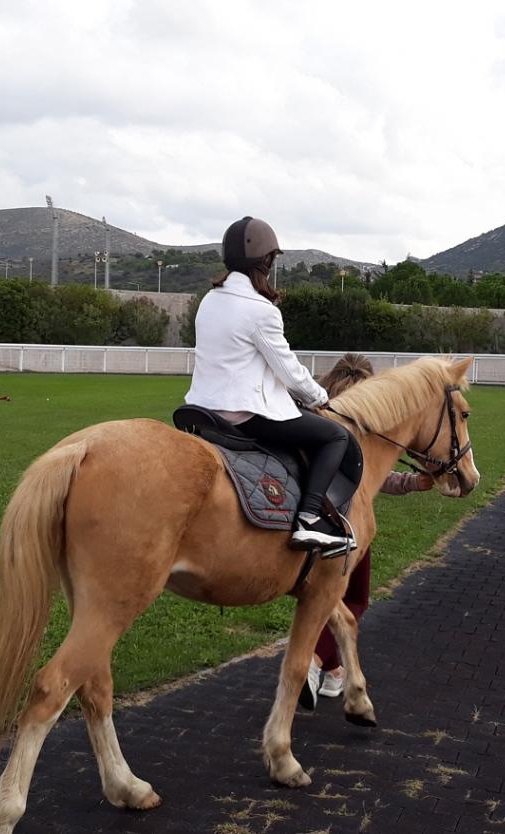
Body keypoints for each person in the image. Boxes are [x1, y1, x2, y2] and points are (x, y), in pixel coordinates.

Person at [185, 216, 355, 552]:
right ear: (265, 261)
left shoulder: (209, 300)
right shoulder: (260, 310)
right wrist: (320, 395)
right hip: (244, 415)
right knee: (336, 435)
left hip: (201, 410)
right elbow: (289, 372)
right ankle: (308, 519)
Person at [297, 353, 434, 710]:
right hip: (347, 523)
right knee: (351, 599)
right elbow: (377, 477)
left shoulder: (322, 415)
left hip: (307, 514)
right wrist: (413, 484)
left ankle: (333, 671)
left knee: (332, 599)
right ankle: (312, 662)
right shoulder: (363, 423)